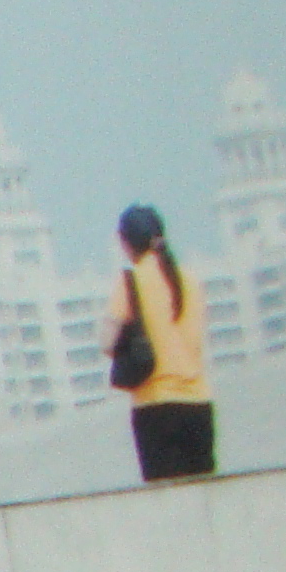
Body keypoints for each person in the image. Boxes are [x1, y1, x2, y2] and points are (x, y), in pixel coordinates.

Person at [105, 203, 215, 482]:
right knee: (204, 494)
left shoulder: (131, 281)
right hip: (199, 404)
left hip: (155, 406)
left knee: (167, 498)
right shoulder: (190, 280)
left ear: (125, 242)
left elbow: (107, 341)